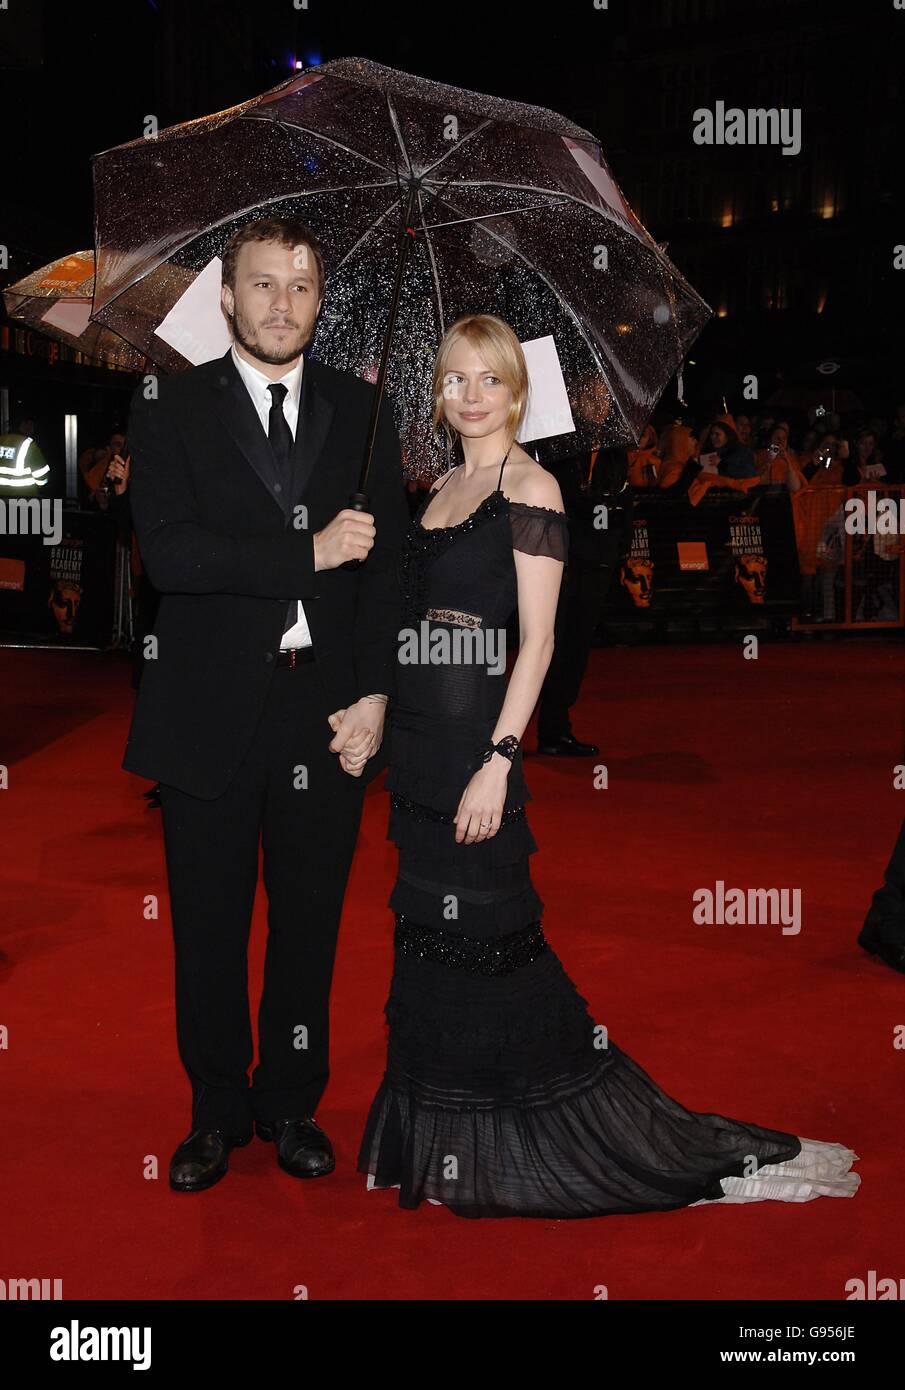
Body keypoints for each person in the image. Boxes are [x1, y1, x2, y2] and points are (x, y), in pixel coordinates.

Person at [356, 313, 860, 1217]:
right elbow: (413, 631)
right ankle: (444, 1135)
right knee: (429, 945)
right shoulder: (433, 490)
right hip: (419, 754)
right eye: (453, 380)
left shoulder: (532, 489)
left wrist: (500, 759)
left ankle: (538, 1129)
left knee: (494, 942)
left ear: (518, 392)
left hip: (476, 749)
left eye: (488, 381)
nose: (468, 397)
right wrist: (377, 708)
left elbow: (539, 641)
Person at [123, 215, 409, 1193]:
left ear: (319, 302)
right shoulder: (167, 402)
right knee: (205, 926)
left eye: (299, 286)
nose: (281, 303)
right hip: (204, 710)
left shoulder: (360, 408)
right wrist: (306, 551)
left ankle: (290, 1102)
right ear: (227, 296)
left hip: (322, 714)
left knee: (307, 923)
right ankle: (214, 1112)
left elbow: (389, 572)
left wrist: (375, 690)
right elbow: (171, 553)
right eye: (262, 284)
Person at [535, 373, 633, 756]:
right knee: (546, 644)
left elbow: (624, 503)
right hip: (560, 561)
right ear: (576, 399)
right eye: (592, 395)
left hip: (598, 563)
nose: (600, 403)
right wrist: (594, 505)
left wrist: (617, 551)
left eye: (604, 397)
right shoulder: (559, 445)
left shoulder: (614, 448)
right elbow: (557, 500)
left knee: (575, 648)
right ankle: (523, 726)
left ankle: (556, 729)